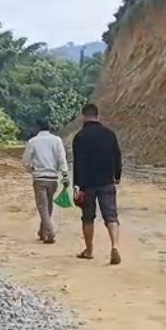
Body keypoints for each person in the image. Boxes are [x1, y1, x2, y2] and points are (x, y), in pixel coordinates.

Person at [71, 102, 123, 265]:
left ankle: (89, 250)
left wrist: (76, 185)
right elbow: (117, 156)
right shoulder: (109, 134)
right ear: (97, 115)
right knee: (111, 216)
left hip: (87, 184)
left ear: (83, 116)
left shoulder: (79, 137)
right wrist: (117, 175)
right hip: (107, 181)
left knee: (88, 217)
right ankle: (115, 246)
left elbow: (78, 163)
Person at [22, 119, 68, 244]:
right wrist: (64, 175)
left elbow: (25, 161)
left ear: (37, 128)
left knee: (42, 207)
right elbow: (62, 159)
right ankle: (42, 231)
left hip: (39, 178)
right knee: (48, 205)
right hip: (53, 178)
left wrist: (31, 170)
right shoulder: (57, 140)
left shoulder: (33, 141)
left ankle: (50, 232)